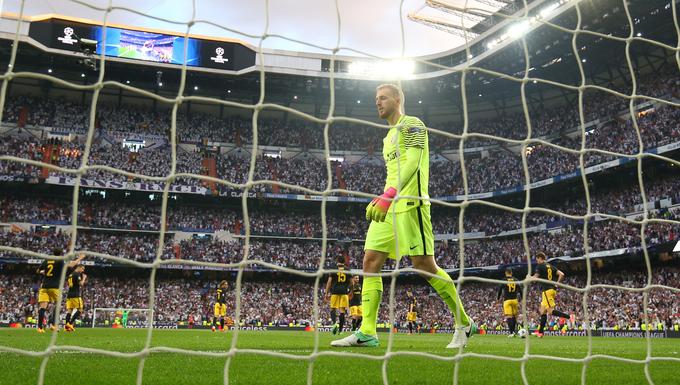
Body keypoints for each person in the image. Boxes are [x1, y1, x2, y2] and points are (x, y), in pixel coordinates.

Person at [332, 84, 474, 348]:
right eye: (376, 98)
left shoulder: (413, 124)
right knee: (370, 261)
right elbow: (393, 173)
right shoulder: (387, 138)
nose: (378, 102)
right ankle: (367, 331)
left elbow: (413, 162)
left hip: (412, 204)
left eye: (383, 97)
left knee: (424, 266)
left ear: (398, 99)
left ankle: (464, 322)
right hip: (390, 206)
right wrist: (384, 196)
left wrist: (390, 195)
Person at [36, 250, 85, 333]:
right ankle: (53, 324)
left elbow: (38, 271)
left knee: (42, 307)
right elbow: (71, 265)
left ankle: (40, 328)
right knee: (58, 305)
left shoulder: (47, 260)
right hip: (54, 287)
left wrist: (44, 272)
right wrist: (79, 258)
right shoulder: (60, 261)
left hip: (44, 286)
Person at [532, 252, 570, 337]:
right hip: (551, 289)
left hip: (547, 290)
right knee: (542, 311)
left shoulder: (540, 266)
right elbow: (561, 274)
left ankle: (568, 317)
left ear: (540, 258)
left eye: (537, 259)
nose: (537, 261)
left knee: (549, 310)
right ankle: (540, 332)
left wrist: (528, 278)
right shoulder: (550, 266)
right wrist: (557, 284)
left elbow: (536, 276)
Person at [325, 257, 350, 334]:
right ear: (344, 262)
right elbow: (351, 282)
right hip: (344, 292)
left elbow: (329, 282)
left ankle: (334, 323)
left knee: (333, 309)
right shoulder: (347, 270)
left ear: (337, 261)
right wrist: (350, 290)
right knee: (342, 311)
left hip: (335, 292)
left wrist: (326, 293)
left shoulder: (333, 270)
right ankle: (340, 330)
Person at [497, 268, 520, 337]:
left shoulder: (504, 280)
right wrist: (522, 297)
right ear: (511, 273)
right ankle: (514, 332)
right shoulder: (516, 280)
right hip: (515, 300)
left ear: (506, 273)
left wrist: (498, 298)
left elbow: (500, 289)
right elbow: (520, 289)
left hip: (507, 300)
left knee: (509, 316)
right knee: (514, 316)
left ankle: (511, 332)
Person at [64, 264, 87, 332]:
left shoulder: (70, 275)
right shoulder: (77, 274)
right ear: (79, 267)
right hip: (75, 295)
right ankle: (70, 324)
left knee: (69, 311)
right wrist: (84, 278)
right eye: (82, 269)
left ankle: (66, 327)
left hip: (69, 295)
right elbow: (81, 284)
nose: (83, 270)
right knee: (80, 309)